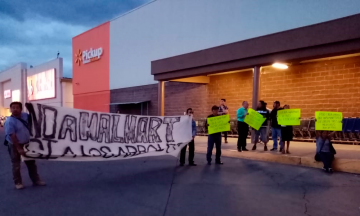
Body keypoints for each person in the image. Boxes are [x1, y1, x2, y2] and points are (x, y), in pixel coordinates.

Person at [5, 102, 46, 189]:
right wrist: (19, 149)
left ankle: (36, 180)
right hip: (14, 144)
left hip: (27, 144)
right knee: (16, 164)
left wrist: (32, 109)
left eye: (17, 107)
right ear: (10, 109)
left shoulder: (25, 116)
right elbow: (12, 136)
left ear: (21, 109)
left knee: (31, 163)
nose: (15, 109)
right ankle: (18, 182)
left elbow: (34, 119)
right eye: (13, 108)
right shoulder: (9, 121)